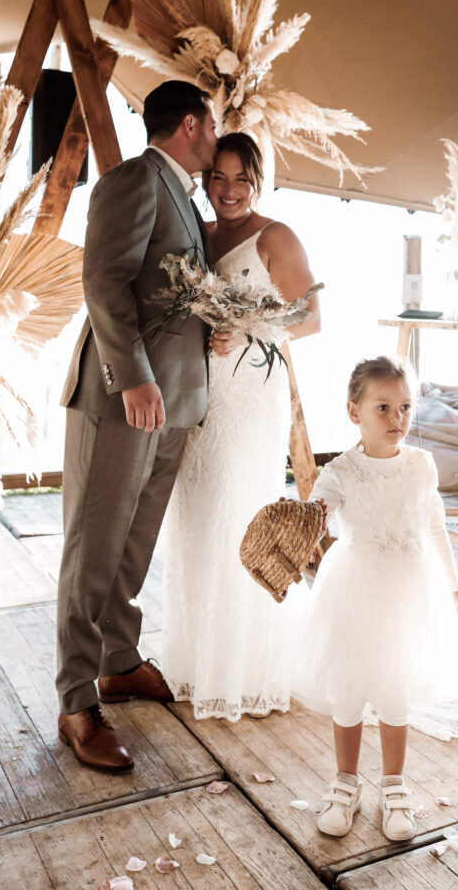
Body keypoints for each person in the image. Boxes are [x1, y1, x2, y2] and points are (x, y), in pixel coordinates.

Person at [57, 80, 216, 771]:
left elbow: (174, 293)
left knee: (135, 543)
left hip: (176, 403)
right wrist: (136, 378)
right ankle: (74, 700)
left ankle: (119, 663)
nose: (216, 135)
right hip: (125, 397)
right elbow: (103, 280)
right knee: (94, 546)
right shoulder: (133, 179)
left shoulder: (185, 194)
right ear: (191, 123)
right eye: (212, 125)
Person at [161, 132, 321, 721]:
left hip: (252, 393)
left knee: (238, 511)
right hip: (201, 393)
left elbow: (309, 317)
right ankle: (201, 660)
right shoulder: (198, 235)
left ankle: (248, 668)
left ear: (257, 181)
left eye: (241, 180)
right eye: (218, 178)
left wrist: (250, 329)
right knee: (197, 511)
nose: (228, 191)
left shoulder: (275, 236)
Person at [298, 356, 458, 842]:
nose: (397, 419)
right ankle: (346, 782)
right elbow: (319, 510)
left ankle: (393, 785)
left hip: (408, 591)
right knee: (350, 689)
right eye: (383, 408)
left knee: (396, 688)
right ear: (354, 412)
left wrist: (453, 585)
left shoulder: (421, 465)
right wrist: (306, 519)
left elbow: (434, 526)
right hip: (355, 589)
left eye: (405, 407)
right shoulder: (343, 470)